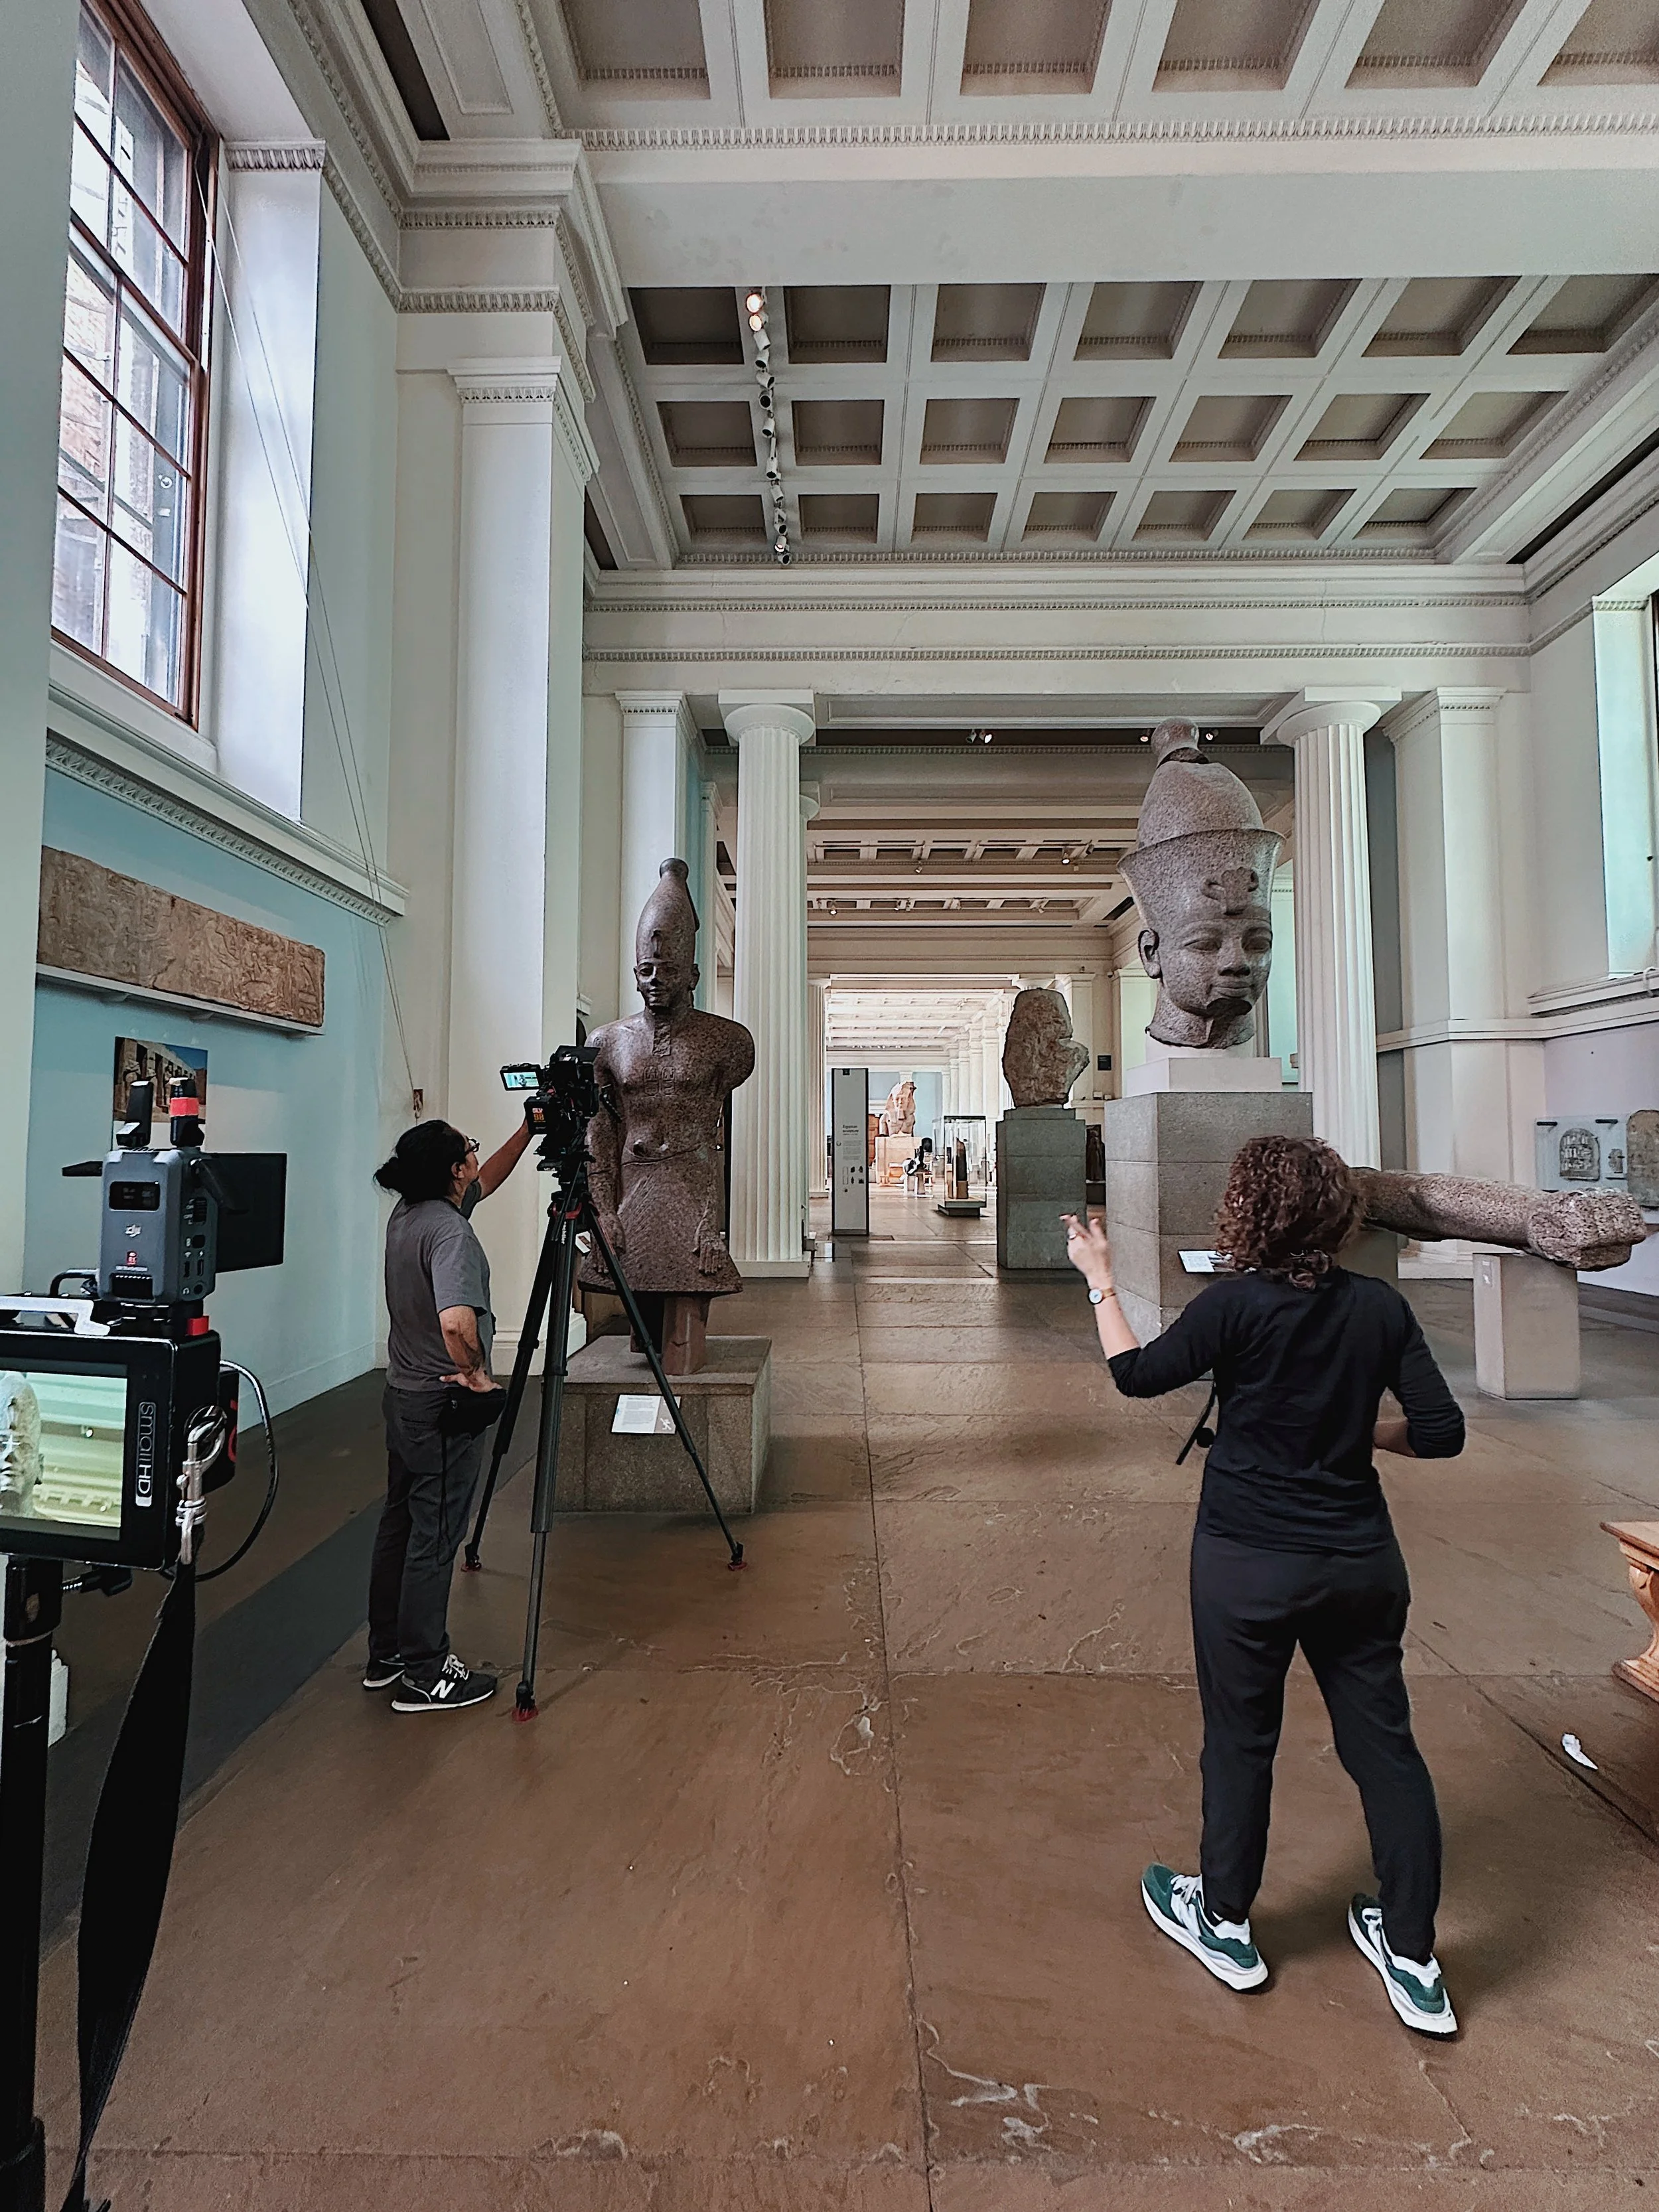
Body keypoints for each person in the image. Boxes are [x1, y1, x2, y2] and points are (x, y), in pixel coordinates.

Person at [1062, 1134, 1466, 2036]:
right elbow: (1441, 1432)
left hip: (1246, 1560)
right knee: (1386, 1751)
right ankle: (1412, 1955)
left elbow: (1136, 1375)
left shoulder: (1233, 1306)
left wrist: (1099, 1275)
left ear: (1248, 1210)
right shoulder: (1379, 1309)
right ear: (1336, 1213)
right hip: (1360, 1561)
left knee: (1241, 1741)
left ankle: (1228, 1920)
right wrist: (1364, 1436)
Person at [368, 1114, 530, 1713]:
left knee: (401, 1525)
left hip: (402, 1399)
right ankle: (427, 1670)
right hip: (442, 1407)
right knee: (435, 1538)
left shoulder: (412, 1215)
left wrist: (527, 1129)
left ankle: (387, 1653)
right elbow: (458, 1321)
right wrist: (477, 1374)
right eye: (469, 1150)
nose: (474, 1158)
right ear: (452, 1170)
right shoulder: (453, 1235)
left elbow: (486, 1178)